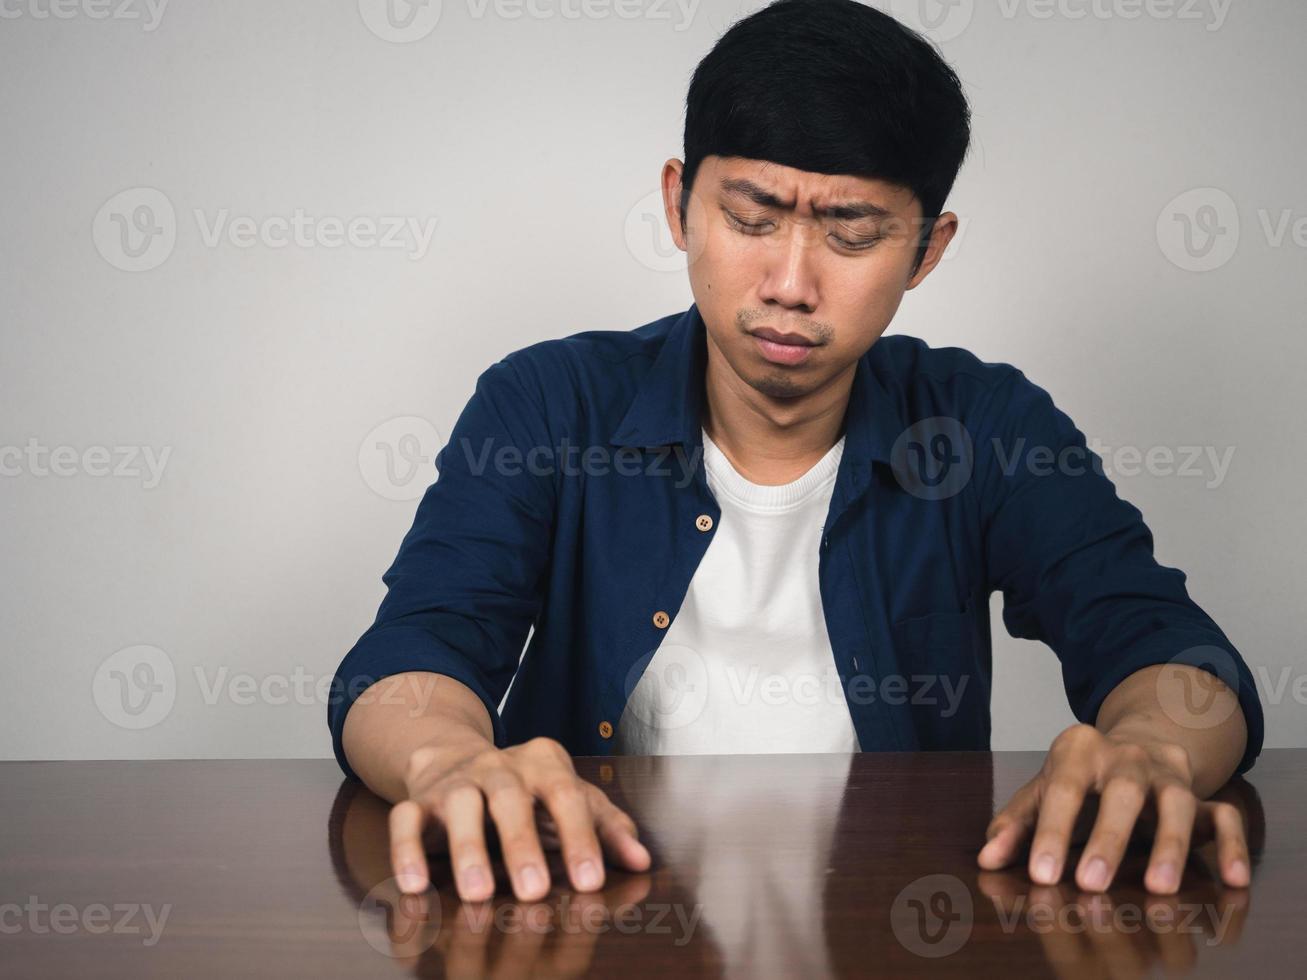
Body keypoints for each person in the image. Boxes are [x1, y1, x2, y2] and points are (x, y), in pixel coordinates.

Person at [328, 0, 1263, 905]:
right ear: (677, 204)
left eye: (850, 234)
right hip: (591, 914)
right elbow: (413, 650)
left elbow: (1166, 648)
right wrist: (449, 761)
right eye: (749, 219)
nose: (788, 284)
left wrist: (1151, 751)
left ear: (925, 251)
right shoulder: (548, 404)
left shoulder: (985, 424)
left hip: (895, 924)